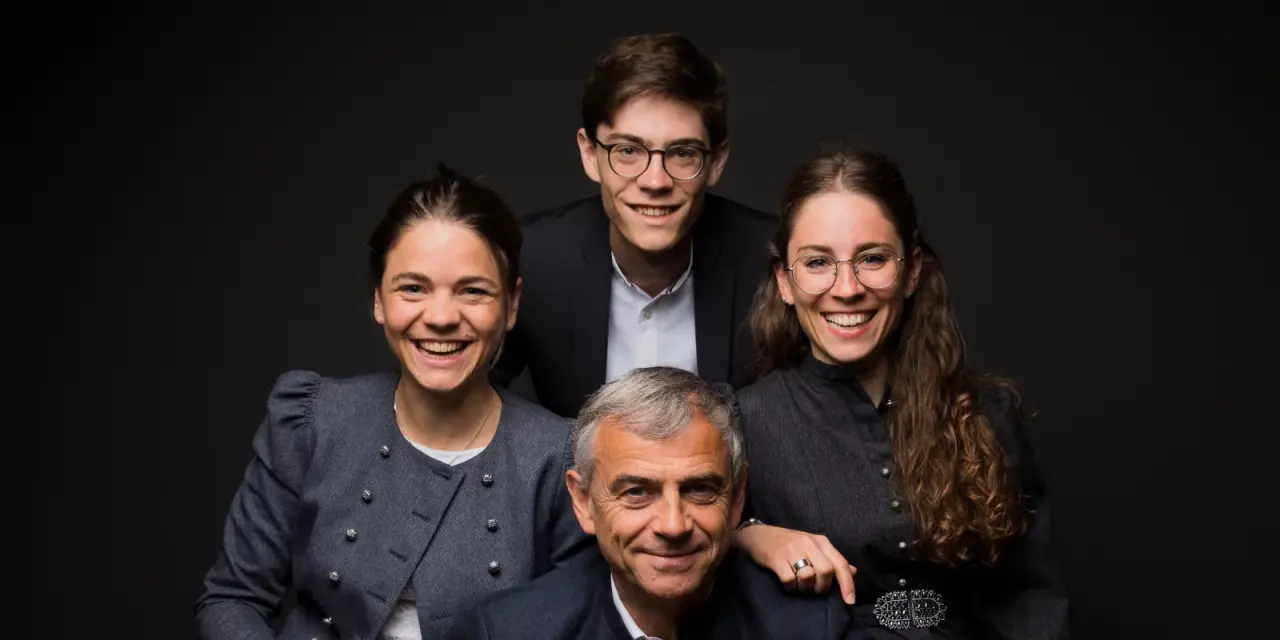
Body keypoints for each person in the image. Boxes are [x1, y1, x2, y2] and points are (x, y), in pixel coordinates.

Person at [195, 166, 593, 639]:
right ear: (379, 299)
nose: (441, 317)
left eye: (473, 291)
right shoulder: (311, 422)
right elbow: (232, 599)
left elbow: (579, 628)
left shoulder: (559, 456)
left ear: (510, 306)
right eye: (413, 288)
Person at [732, 148, 1069, 638]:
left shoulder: (986, 414)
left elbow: (1031, 597)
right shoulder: (744, 422)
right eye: (817, 262)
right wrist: (748, 537)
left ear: (911, 273)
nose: (846, 288)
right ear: (785, 281)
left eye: (872, 259)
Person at [490, 33, 776, 418]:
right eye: (627, 151)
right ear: (590, 154)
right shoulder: (532, 259)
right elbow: (470, 402)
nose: (655, 182)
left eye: (682, 153)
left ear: (716, 161)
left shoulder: (771, 261)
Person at [464, 366, 863, 639]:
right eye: (637, 492)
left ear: (738, 496)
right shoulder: (509, 630)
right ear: (583, 502)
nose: (673, 525)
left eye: (700, 489)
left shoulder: (812, 625)